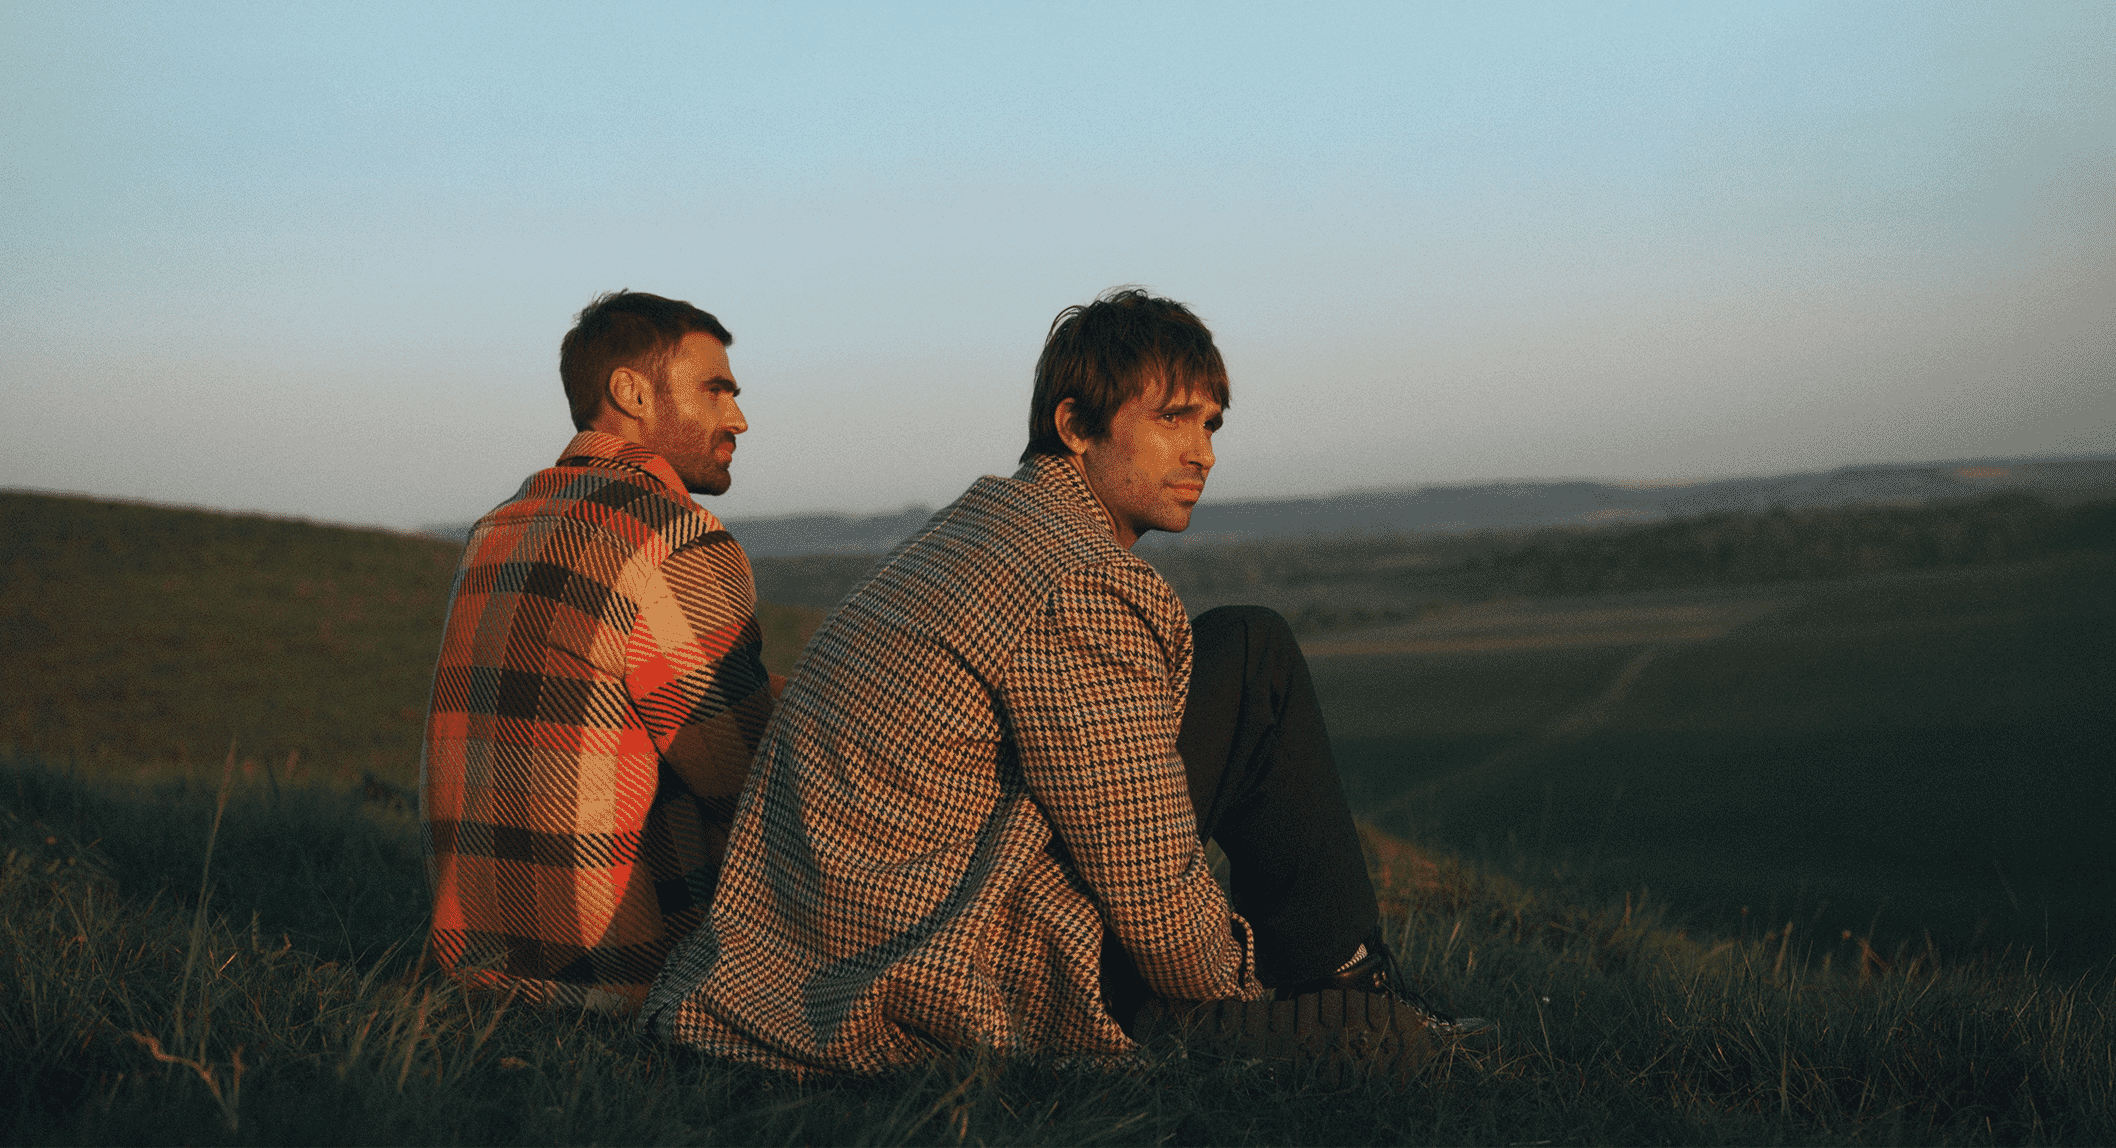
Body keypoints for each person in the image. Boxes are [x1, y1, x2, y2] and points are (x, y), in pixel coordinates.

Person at [644, 287, 1482, 1073]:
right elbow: (1147, 879)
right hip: (943, 971)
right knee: (1255, 655)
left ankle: (1338, 990)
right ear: (1075, 424)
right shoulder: (1073, 581)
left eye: (1214, 424)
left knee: (1231, 648)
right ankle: (1354, 1002)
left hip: (813, 959)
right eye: (1173, 419)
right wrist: (1234, 991)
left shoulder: (972, 533)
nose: (1203, 453)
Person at [419, 290, 774, 1013]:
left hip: (475, 968)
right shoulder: (673, 537)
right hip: (619, 978)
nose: (739, 418)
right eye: (716, 390)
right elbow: (753, 784)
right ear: (630, 392)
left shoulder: (497, 527)